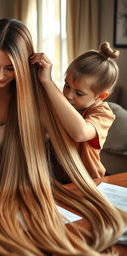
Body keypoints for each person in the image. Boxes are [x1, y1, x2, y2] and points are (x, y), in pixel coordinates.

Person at [0, 18, 127, 255]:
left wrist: (46, 81)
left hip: (36, 193)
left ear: (25, 65)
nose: (1, 76)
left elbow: (77, 135)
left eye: (11, 67)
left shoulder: (44, 102)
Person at [31, 42, 118, 180]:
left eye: (79, 93)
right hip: (57, 180)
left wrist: (48, 82)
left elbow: (80, 133)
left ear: (101, 96)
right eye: (67, 85)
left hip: (89, 181)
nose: (68, 95)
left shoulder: (103, 113)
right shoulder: (59, 103)